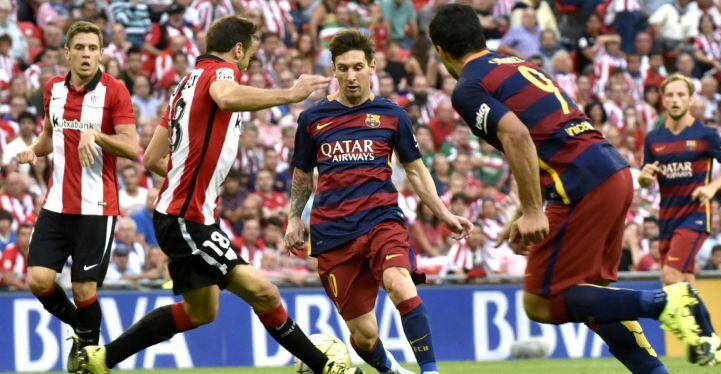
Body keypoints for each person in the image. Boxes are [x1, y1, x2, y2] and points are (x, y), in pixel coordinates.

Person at [429, 5, 709, 374]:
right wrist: (523, 211)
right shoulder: (516, 64)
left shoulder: (468, 88)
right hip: (610, 171)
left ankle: (664, 303)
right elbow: (547, 138)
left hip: (581, 186)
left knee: (543, 301)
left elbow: (517, 135)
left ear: (440, 51)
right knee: (590, 296)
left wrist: (532, 211)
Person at [76, 16, 361, 374]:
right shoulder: (220, 74)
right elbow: (225, 98)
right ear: (237, 49)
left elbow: (151, 158)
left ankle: (100, 359)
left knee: (202, 310)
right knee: (265, 293)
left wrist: (197, 180)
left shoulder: (183, 85)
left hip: (183, 212)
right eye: (250, 54)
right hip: (186, 217)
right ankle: (330, 369)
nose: (249, 63)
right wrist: (290, 94)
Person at [285, 30, 472, 374]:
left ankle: (431, 371)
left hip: (381, 220)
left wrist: (443, 213)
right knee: (364, 335)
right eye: (343, 68)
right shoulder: (312, 119)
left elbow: (415, 171)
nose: (351, 75)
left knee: (399, 281)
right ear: (334, 71)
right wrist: (294, 218)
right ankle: (391, 371)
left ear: (372, 66)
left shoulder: (392, 115)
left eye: (358, 67)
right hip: (332, 232)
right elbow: (301, 175)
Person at [15, 21, 139, 373]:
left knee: (84, 290)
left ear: (101, 53)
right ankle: (84, 329)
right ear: (66, 53)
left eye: (92, 48)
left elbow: (131, 147)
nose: (86, 54)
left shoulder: (115, 92)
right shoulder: (53, 88)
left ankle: (88, 351)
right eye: (80, 48)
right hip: (56, 203)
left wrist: (97, 136)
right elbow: (48, 135)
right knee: (38, 280)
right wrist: (34, 151)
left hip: (96, 208)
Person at [638, 74, 721, 365]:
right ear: (663, 98)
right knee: (683, 283)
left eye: (681, 95)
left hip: (695, 216)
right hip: (667, 218)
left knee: (671, 279)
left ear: (691, 99)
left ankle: (700, 341)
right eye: (670, 95)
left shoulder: (705, 134)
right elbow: (647, 177)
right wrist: (645, 180)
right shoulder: (654, 139)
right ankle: (712, 339)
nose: (675, 100)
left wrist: (711, 187)